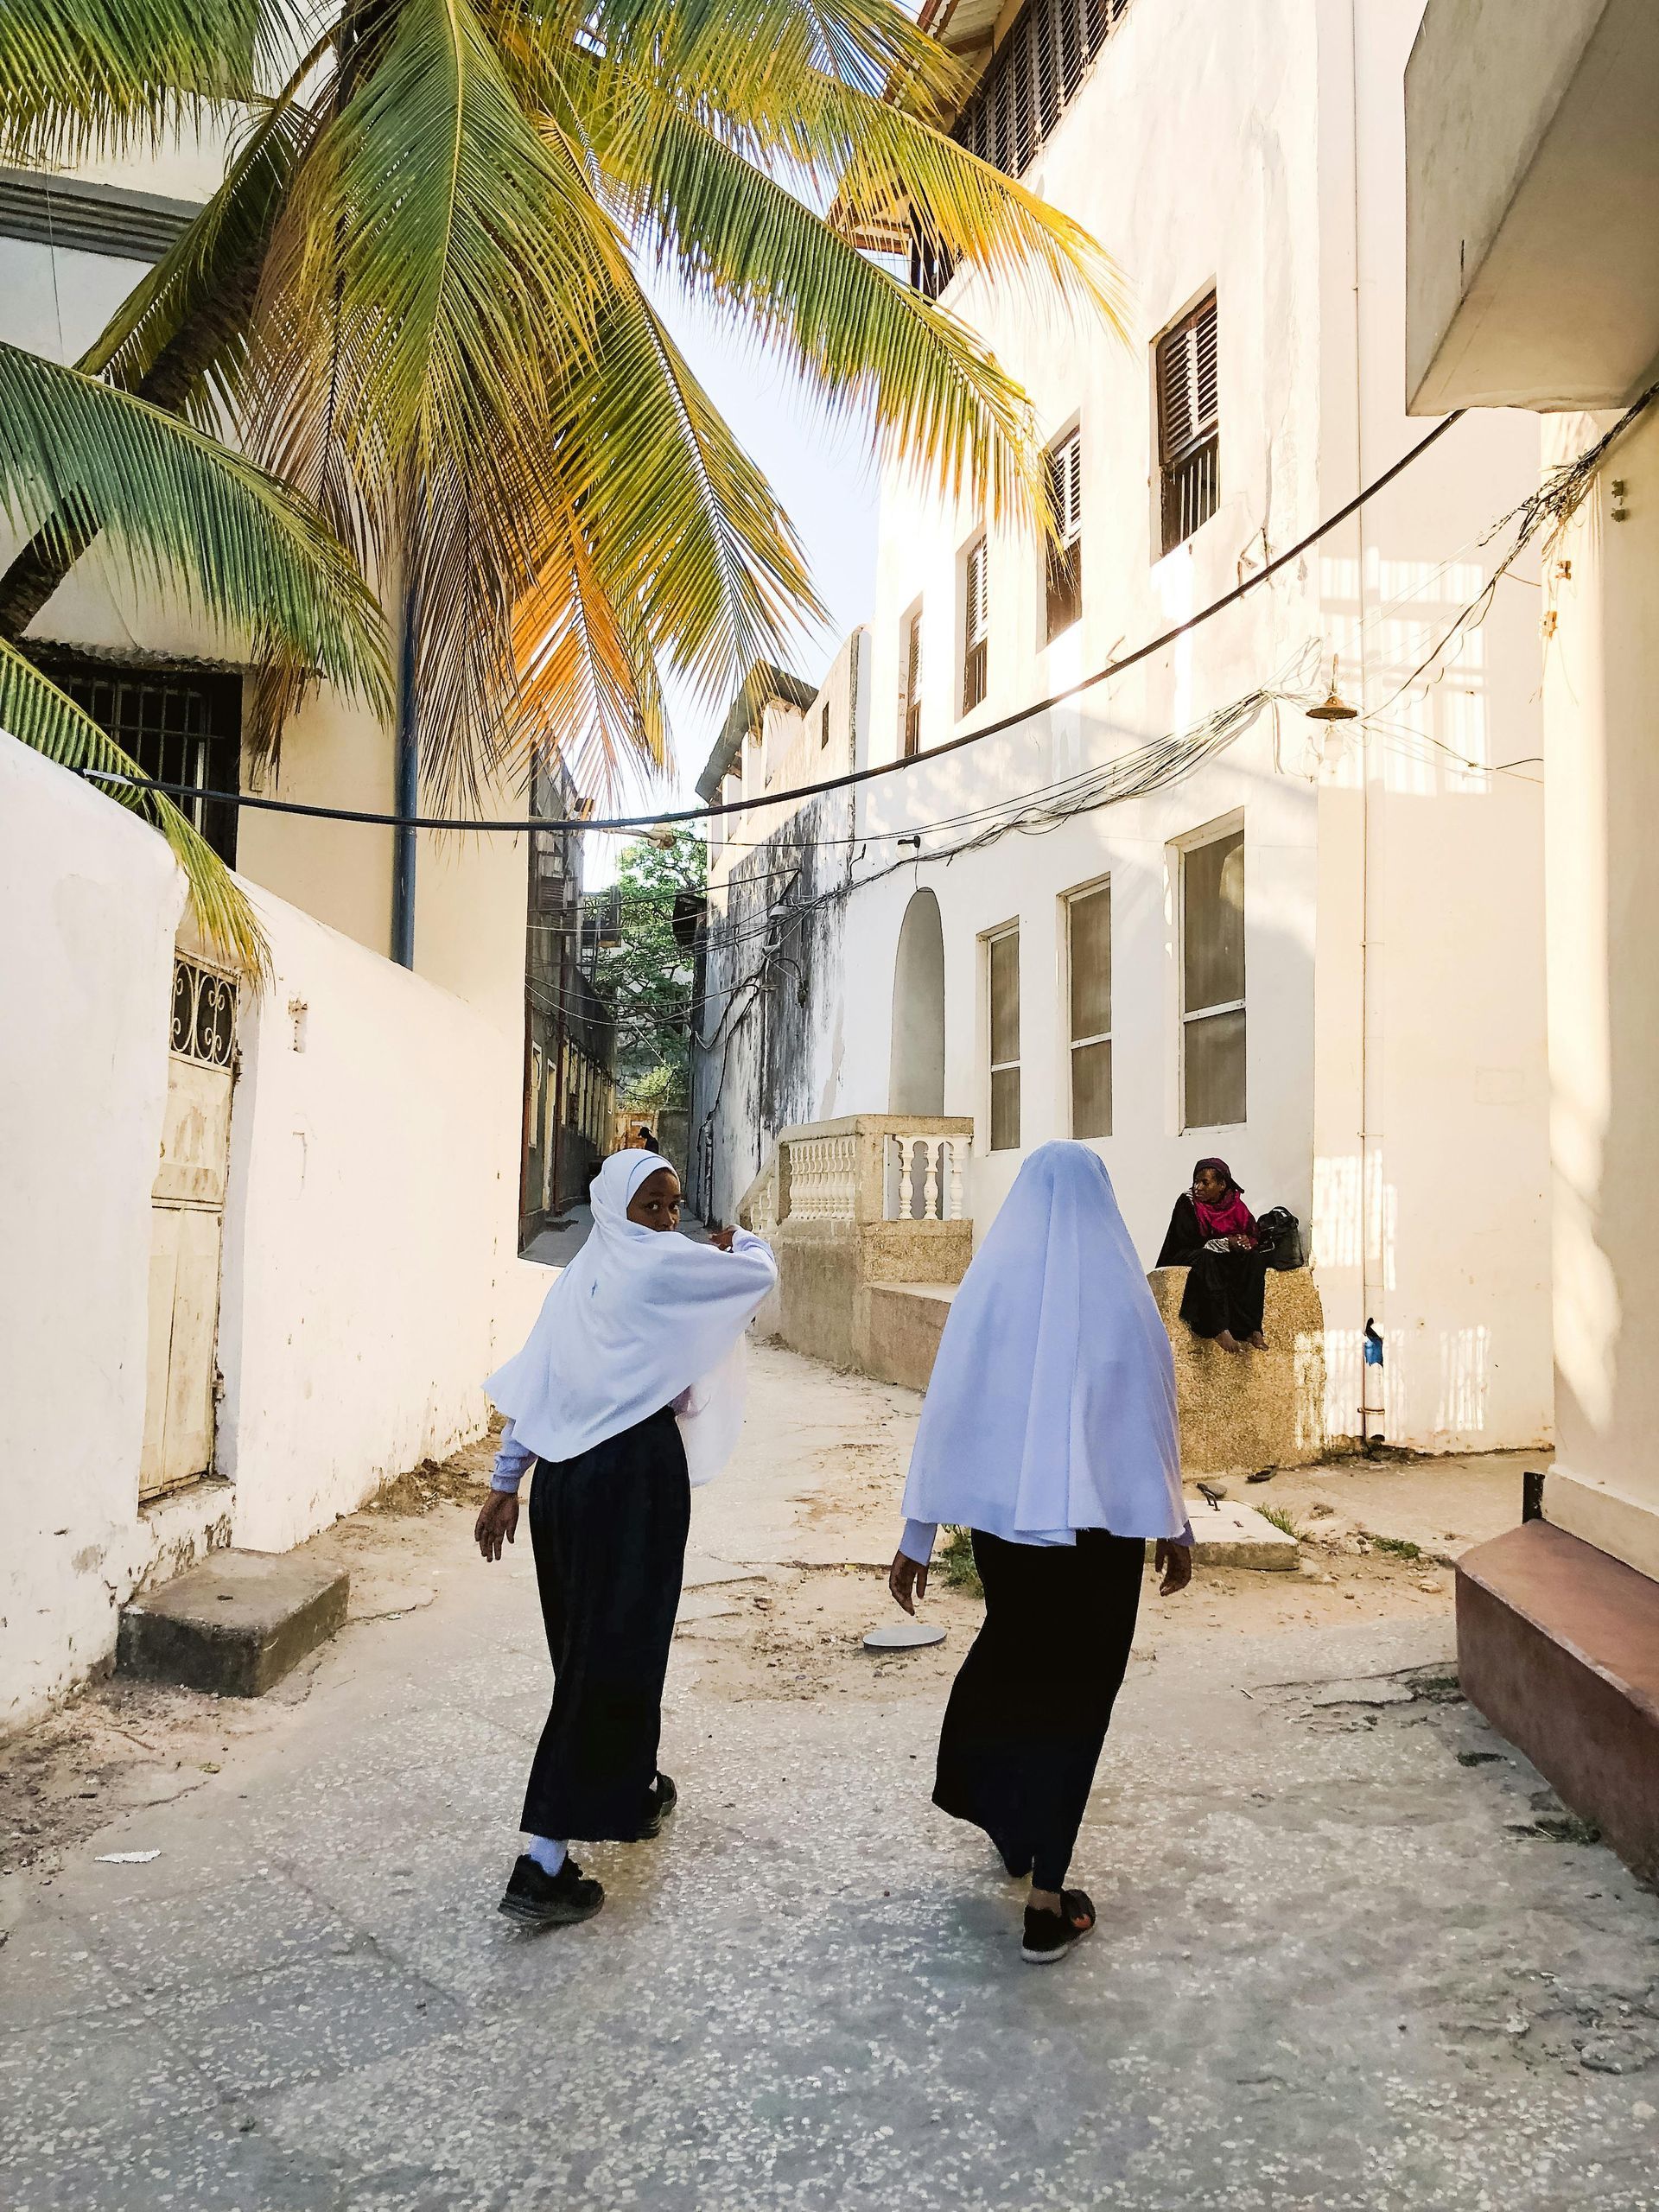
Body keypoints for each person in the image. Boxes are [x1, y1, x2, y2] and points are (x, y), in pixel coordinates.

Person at [887, 1142, 1193, 1967]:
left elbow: (948, 1411)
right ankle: (1048, 1898)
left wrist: (917, 1537)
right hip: (1102, 1541)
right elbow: (1150, 1412)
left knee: (1020, 1664)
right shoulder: (1122, 1296)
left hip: (1009, 1536)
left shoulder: (990, 1291)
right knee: (1078, 1696)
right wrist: (1174, 1522)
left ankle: (1016, 1826)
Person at [474, 1150, 776, 1928]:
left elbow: (538, 1381)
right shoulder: (660, 1269)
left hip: (566, 1486)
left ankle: (630, 1789)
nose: (668, 1220)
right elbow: (757, 1275)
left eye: (675, 1206)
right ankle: (542, 1861)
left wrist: (509, 1480)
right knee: (606, 1654)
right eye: (653, 1205)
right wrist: (738, 1241)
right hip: (630, 1481)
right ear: (617, 1206)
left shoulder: (583, 1277)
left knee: (599, 1645)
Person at [1156, 1156, 1269, 1353]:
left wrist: (1243, 1243)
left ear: (1222, 1185)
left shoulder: (1235, 1205)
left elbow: (1253, 1234)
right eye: (1196, 1181)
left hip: (1220, 1257)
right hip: (1186, 1254)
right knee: (1205, 1260)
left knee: (1255, 1260)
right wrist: (1227, 1243)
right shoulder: (1187, 1202)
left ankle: (1251, 1328)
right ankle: (1218, 1328)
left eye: (1205, 1182)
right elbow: (1190, 1242)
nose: (1198, 1187)